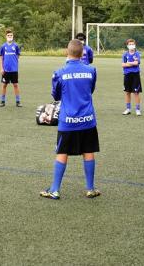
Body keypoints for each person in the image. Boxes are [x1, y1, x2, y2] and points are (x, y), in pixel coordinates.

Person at [40, 39, 100, 200]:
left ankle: (55, 189)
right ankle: (90, 188)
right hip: (88, 119)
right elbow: (90, 90)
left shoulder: (59, 72)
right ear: (82, 54)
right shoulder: (91, 70)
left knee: (62, 152)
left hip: (68, 121)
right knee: (88, 151)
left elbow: (56, 95)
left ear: (67, 52)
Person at [0, 29, 22, 107]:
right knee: (4, 85)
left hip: (14, 69)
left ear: (13, 36)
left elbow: (17, 56)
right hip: (6, 70)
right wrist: (1, 68)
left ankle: (18, 101)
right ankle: (2, 101)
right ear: (6, 37)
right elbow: (1, 58)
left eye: (11, 35)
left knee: (15, 85)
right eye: (8, 35)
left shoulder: (16, 46)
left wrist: (14, 63)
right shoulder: (3, 46)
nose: (10, 37)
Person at [121, 38, 142, 116]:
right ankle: (128, 109)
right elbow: (123, 64)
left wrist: (128, 63)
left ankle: (137, 109)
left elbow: (137, 63)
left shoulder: (137, 54)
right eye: (129, 44)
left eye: (132, 44)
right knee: (127, 92)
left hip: (135, 75)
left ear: (135, 45)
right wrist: (132, 63)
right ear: (127, 46)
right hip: (127, 75)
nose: (131, 45)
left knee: (136, 92)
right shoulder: (125, 54)